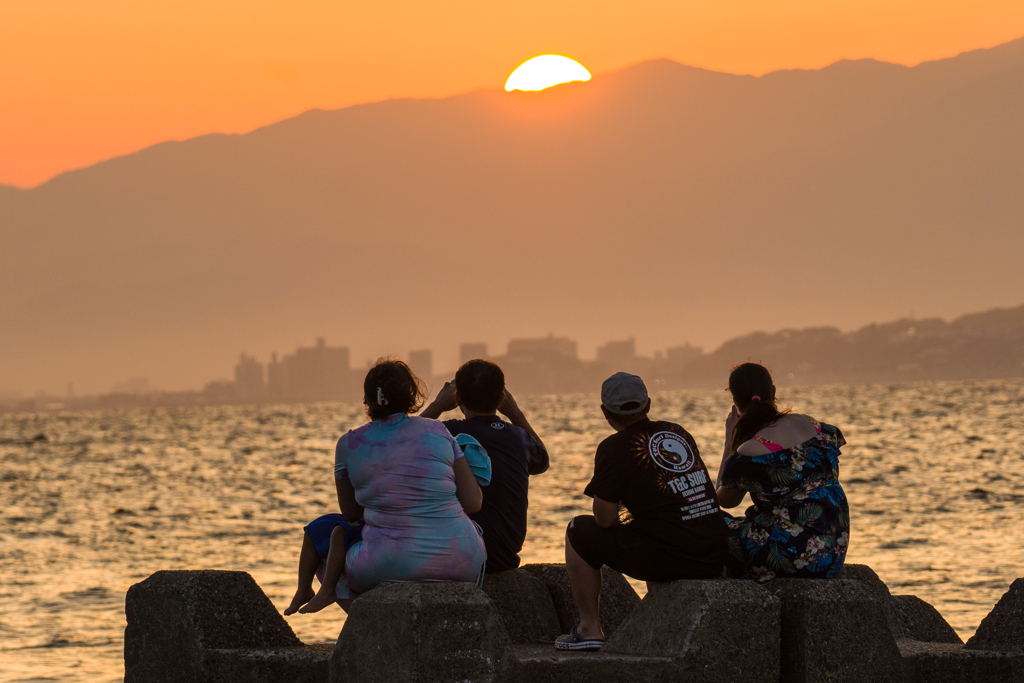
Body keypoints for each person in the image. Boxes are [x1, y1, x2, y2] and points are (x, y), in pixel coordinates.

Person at [284, 359, 486, 615]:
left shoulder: (348, 444)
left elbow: (351, 513)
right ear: (412, 395)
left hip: (386, 563)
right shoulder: (439, 431)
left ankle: (369, 621)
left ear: (368, 401)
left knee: (325, 539)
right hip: (463, 558)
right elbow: (473, 502)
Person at [556, 372, 728, 651]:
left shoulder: (613, 448)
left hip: (676, 559)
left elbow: (604, 520)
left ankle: (589, 629)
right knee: (657, 521)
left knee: (579, 529)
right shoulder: (678, 432)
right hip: (714, 553)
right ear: (648, 404)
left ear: (604, 412)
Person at [715, 362, 850, 582]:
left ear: (736, 402)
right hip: (831, 551)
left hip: (786, 554)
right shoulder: (814, 427)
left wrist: (729, 442)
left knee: (710, 525)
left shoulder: (749, 451)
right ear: (773, 391)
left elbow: (722, 500)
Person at [420, 359, 549, 573]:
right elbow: (542, 460)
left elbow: (402, 446)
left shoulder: (447, 432)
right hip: (505, 554)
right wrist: (515, 413)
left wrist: (437, 406)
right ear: (501, 399)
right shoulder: (519, 437)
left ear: (457, 399)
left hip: (464, 551)